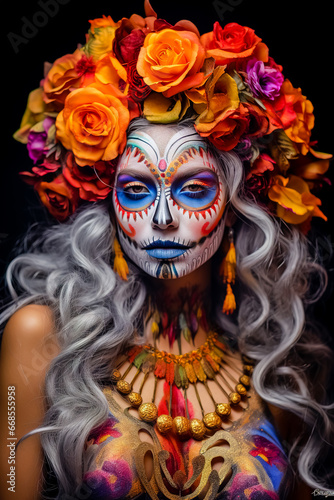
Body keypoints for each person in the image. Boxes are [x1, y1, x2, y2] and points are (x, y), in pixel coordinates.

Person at [0, 2, 333, 499]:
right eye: (135, 190)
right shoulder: (40, 336)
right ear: (108, 205)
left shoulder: (280, 364)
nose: (160, 218)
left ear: (238, 206)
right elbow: (10, 482)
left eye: (193, 189)